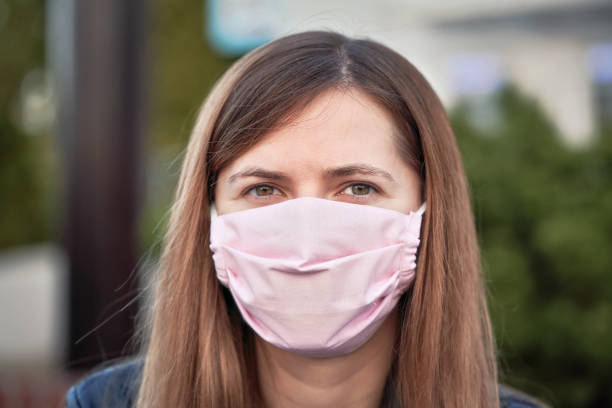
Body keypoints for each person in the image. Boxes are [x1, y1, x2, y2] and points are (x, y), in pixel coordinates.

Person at [65, 30, 545, 408]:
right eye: (264, 189)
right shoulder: (107, 403)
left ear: (427, 211)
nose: (307, 236)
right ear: (208, 215)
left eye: (358, 187)